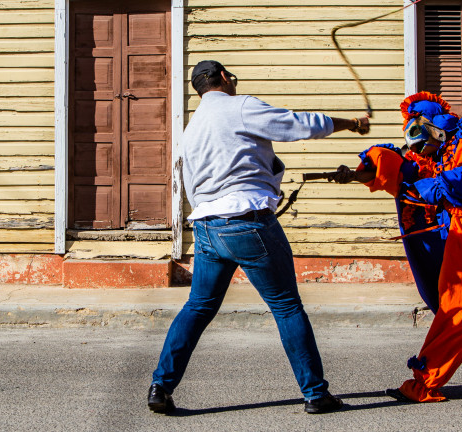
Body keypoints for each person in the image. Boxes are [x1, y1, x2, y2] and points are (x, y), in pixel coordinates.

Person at [147, 60, 370, 414]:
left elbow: (190, 184)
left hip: (207, 227)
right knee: (286, 306)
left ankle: (161, 385)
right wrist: (352, 123)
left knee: (198, 307)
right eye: (231, 77)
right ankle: (315, 394)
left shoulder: (192, 128)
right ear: (223, 78)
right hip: (248, 222)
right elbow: (298, 125)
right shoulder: (240, 107)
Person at [331, 91, 462, 403]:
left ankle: (426, 381)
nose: (422, 151)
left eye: (422, 140)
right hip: (459, 233)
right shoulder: (437, 154)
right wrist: (357, 173)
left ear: (436, 128)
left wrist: (436, 185)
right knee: (444, 301)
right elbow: (402, 169)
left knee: (460, 308)